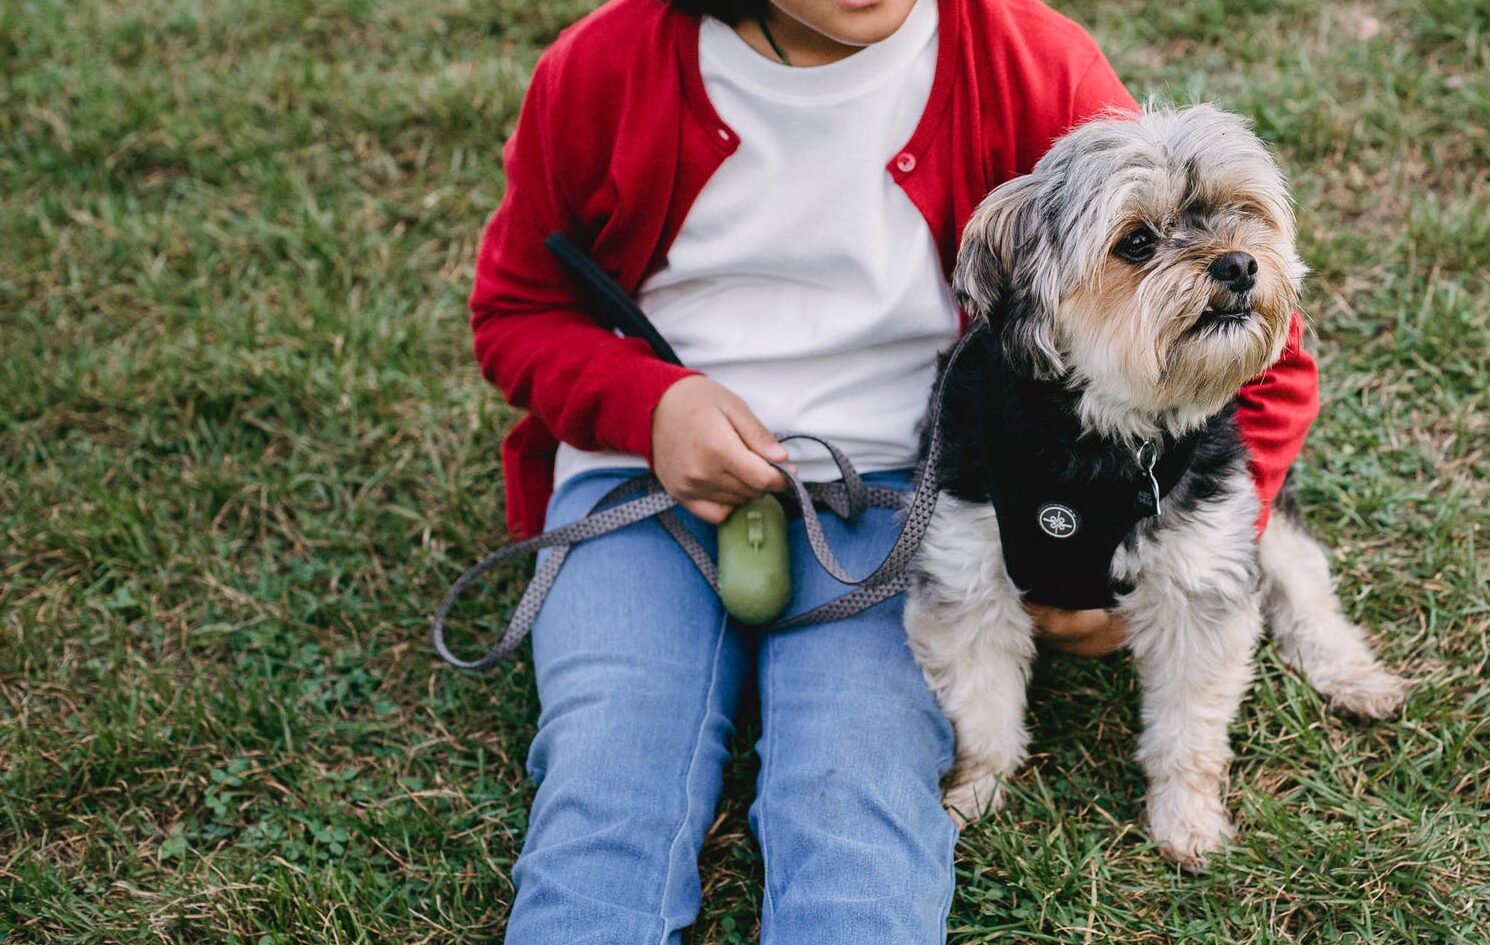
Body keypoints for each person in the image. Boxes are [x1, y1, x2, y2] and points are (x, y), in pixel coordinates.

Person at [467, 0, 1321, 940]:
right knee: (607, 785)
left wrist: (1187, 535)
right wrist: (651, 405)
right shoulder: (600, 67)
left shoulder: (1029, 62)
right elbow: (517, 309)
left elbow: (1254, 344)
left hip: (898, 499)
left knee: (860, 811)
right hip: (639, 481)